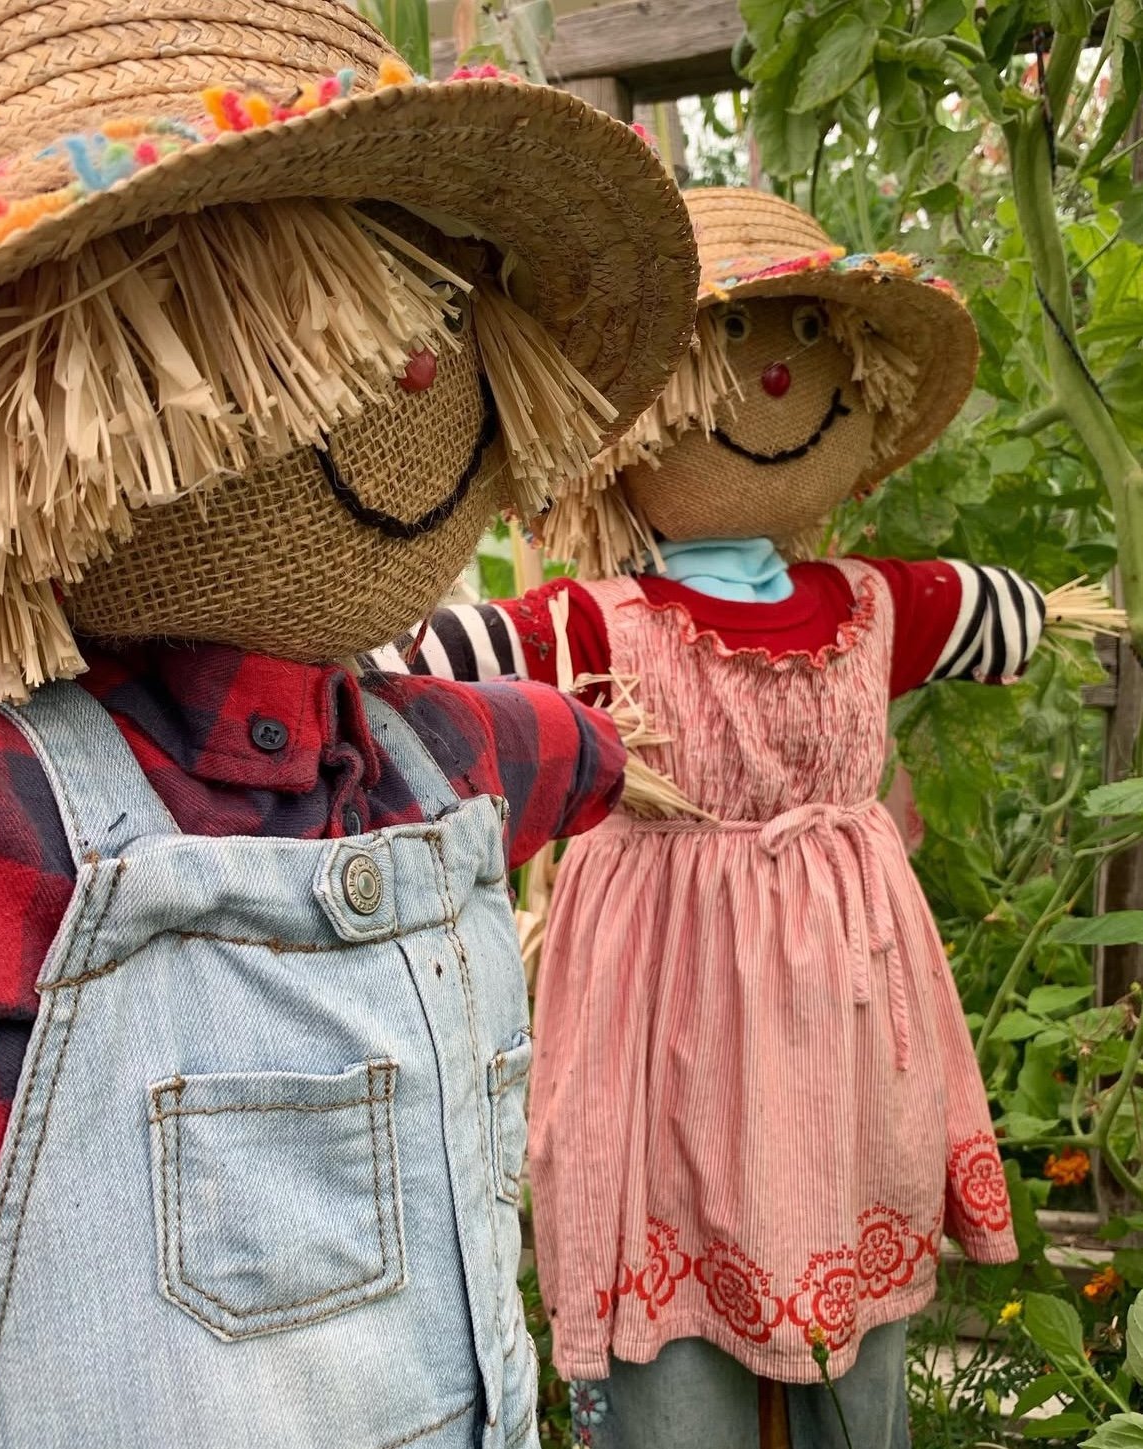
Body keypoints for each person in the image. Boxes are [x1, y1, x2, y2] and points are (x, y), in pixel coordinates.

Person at [0, 9, 699, 1446]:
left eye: (442, 307)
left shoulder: (436, 754)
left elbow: (545, 741)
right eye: (317, 308)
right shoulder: (6, 805)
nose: (420, 375)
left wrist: (627, 762)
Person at [370, 188, 1053, 1449]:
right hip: (667, 1001)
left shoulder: (866, 604)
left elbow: (992, 614)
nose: (777, 373)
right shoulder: (600, 625)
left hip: (849, 1009)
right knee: (668, 1269)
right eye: (732, 339)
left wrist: (1022, 613)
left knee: (857, 1266)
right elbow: (433, 665)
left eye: (807, 335)